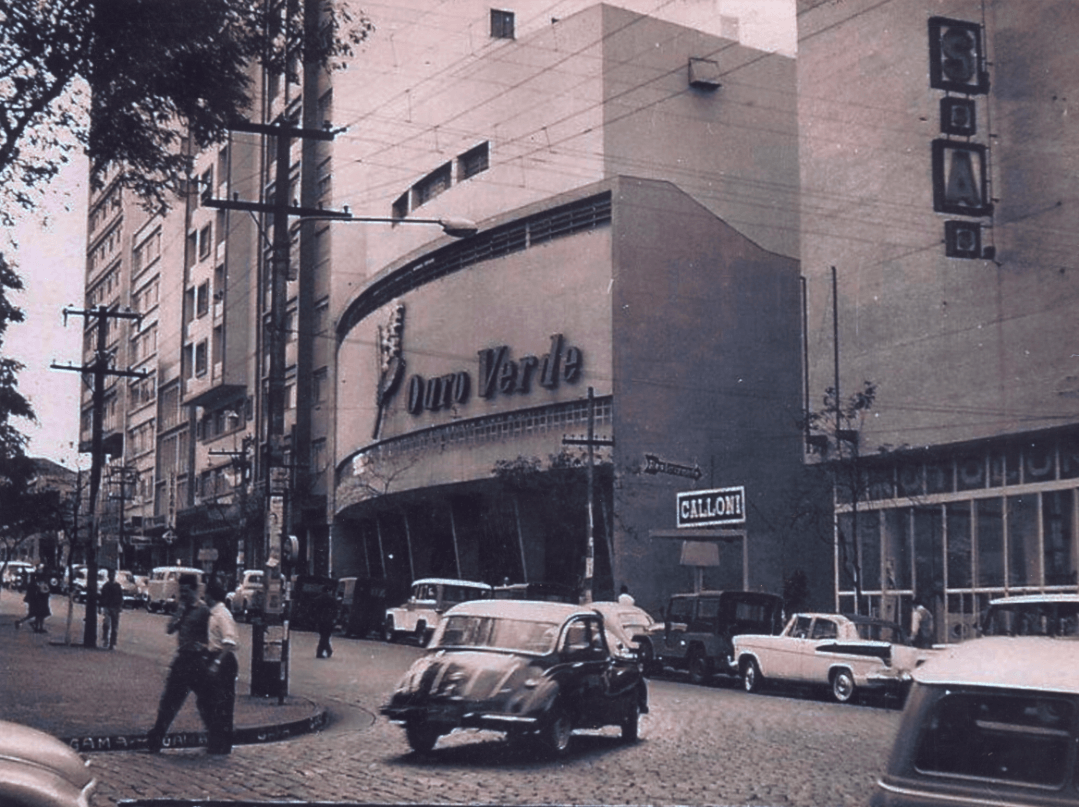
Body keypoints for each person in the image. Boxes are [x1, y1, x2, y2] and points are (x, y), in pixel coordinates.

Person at [146, 574, 212, 753]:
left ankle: (214, 735)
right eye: (181, 591)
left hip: (197, 659)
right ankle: (157, 738)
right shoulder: (181, 608)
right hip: (182, 659)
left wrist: (204, 647)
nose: (183, 594)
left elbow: (212, 636)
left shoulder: (203, 611)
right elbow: (169, 629)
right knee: (169, 700)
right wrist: (180, 612)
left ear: (194, 590)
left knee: (206, 700)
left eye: (186, 591)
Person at [203, 580, 239, 755]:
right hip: (213, 657)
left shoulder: (222, 614)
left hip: (223, 660)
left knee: (223, 704)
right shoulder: (212, 613)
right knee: (211, 702)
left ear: (211, 596)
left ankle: (222, 744)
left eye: (206, 594)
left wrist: (217, 663)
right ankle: (216, 740)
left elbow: (229, 641)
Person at [99, 568, 124, 649]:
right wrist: (101, 606)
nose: (111, 576)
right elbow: (102, 597)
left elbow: (120, 597)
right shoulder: (105, 586)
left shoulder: (117, 586)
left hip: (115, 608)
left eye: (112, 575)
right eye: (110, 575)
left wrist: (120, 606)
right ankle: (105, 639)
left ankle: (112, 643)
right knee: (106, 624)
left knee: (114, 626)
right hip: (107, 607)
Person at [313, 584, 337, 659]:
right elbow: (335, 611)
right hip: (328, 620)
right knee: (325, 636)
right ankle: (322, 652)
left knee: (323, 636)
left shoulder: (317, 599)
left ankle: (326, 651)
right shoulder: (332, 599)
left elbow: (312, 610)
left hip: (320, 620)